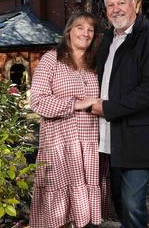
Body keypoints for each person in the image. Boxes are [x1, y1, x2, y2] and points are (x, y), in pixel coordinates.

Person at [91, 0, 149, 228]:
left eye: (121, 2)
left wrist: (108, 108)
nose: (116, 9)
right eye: (110, 5)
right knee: (118, 201)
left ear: (134, 3)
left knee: (132, 203)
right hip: (113, 138)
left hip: (140, 137)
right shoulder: (108, 40)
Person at [29, 12, 108, 228]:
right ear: (69, 32)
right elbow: (37, 101)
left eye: (91, 29)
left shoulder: (96, 64)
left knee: (83, 217)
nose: (86, 33)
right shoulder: (51, 59)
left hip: (89, 145)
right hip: (59, 145)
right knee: (57, 214)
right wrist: (76, 103)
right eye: (80, 27)